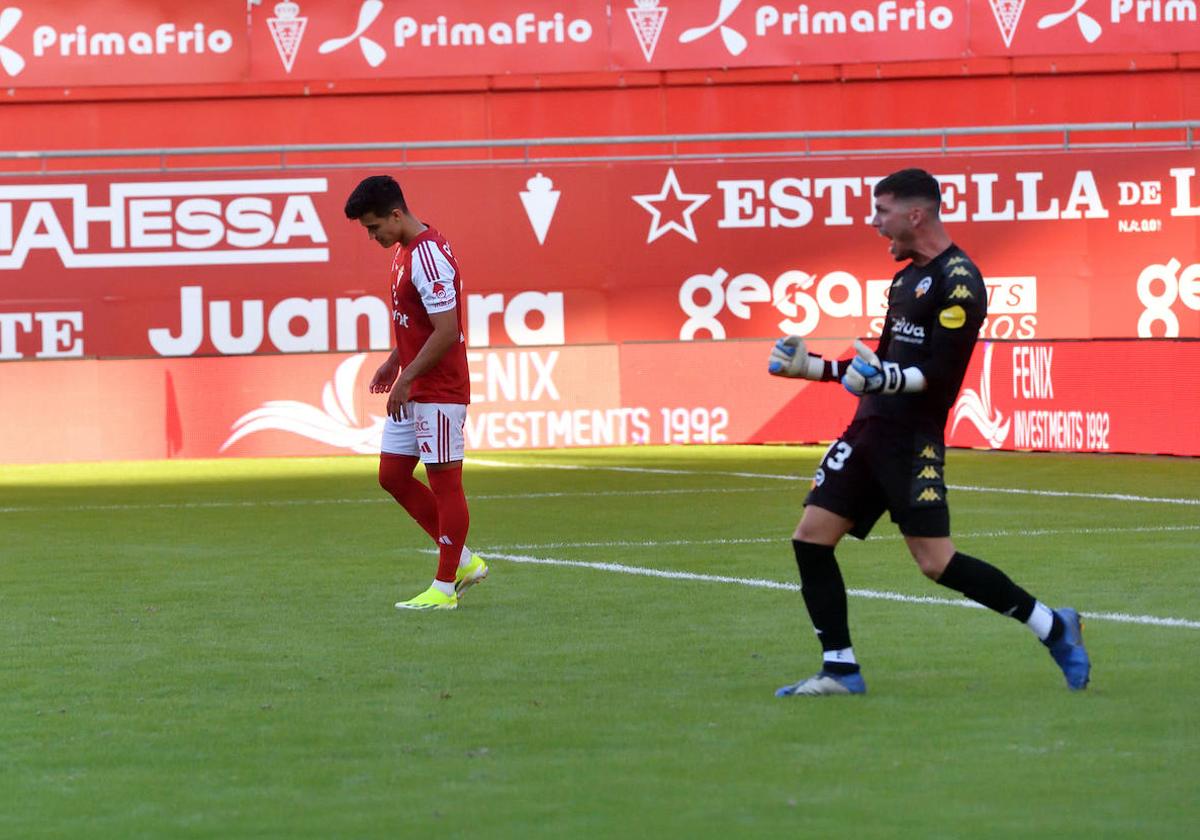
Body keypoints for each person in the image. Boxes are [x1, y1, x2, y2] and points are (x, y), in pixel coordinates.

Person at [766, 168, 1090, 696]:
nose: (874, 224)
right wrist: (814, 369)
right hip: (868, 431)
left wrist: (885, 378)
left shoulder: (959, 280)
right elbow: (881, 363)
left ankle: (1053, 626)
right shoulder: (905, 278)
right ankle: (841, 669)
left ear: (915, 215)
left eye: (882, 212)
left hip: (910, 441)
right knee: (811, 538)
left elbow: (938, 373)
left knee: (936, 563)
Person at [344, 174, 487, 611]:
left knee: (446, 482)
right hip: (416, 384)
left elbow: (447, 330)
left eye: (374, 228)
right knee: (391, 475)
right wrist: (395, 360)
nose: (372, 237)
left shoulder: (427, 256)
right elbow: (419, 322)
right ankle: (462, 561)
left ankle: (445, 589)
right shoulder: (405, 251)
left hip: (438, 389)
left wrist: (407, 378)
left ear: (395, 214)